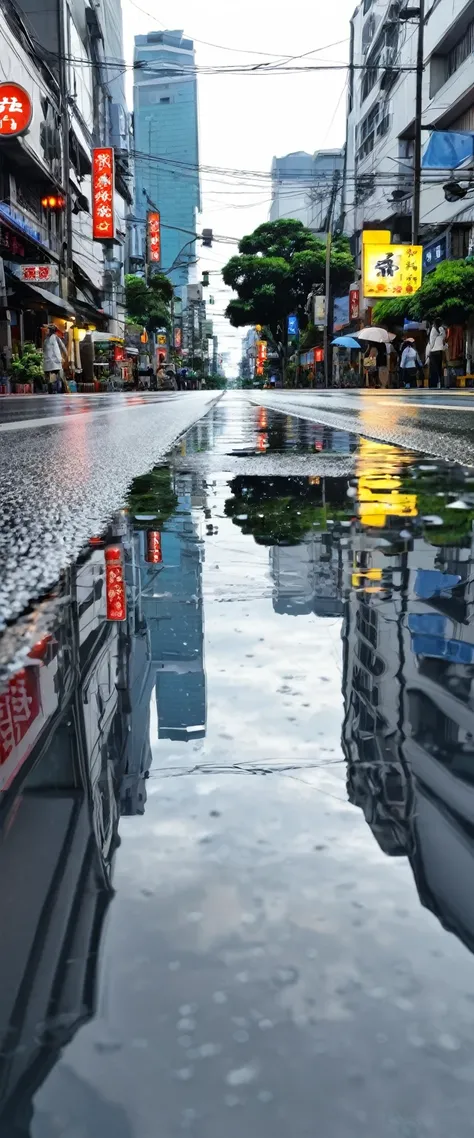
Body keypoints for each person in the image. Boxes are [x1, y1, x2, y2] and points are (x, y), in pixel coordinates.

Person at [43, 325, 68, 393]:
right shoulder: (46, 339)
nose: (46, 331)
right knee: (49, 376)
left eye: (47, 329)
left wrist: (64, 356)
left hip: (55, 360)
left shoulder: (55, 338)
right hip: (48, 360)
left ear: (51, 330)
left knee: (56, 375)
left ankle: (59, 389)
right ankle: (51, 389)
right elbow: (44, 349)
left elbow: (61, 347)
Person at [426, 319, 447, 388]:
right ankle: (441, 383)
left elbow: (431, 342)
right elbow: (444, 338)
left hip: (433, 351)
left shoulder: (433, 330)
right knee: (439, 368)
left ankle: (433, 384)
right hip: (440, 351)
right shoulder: (442, 329)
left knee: (433, 369)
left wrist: (429, 351)